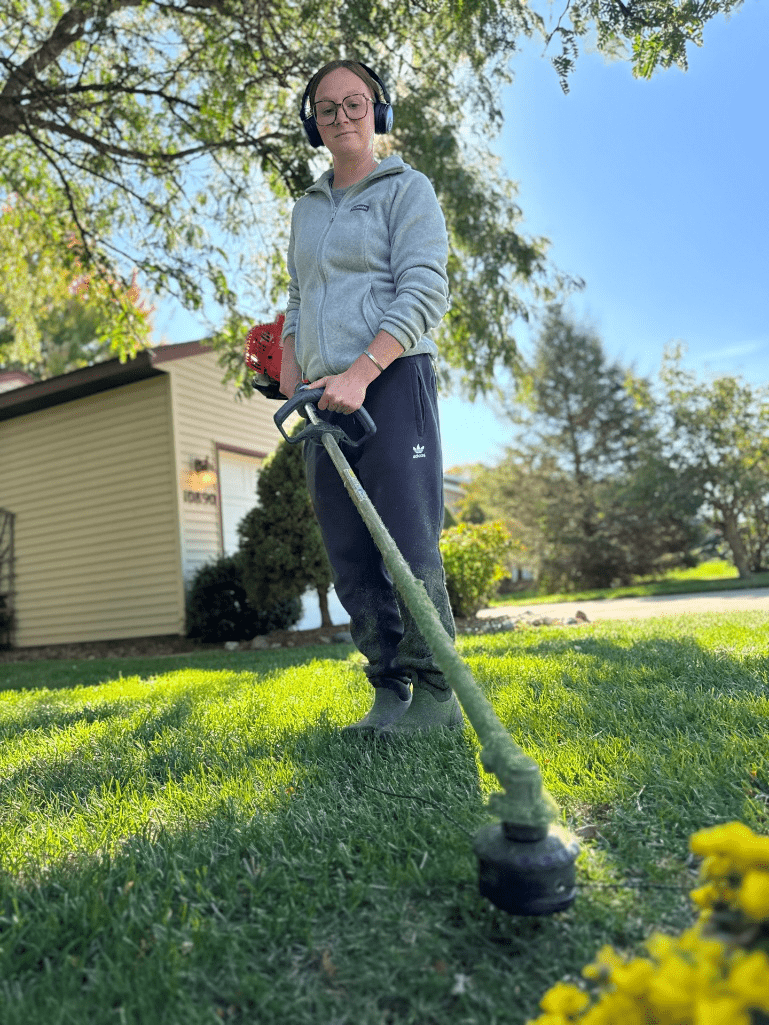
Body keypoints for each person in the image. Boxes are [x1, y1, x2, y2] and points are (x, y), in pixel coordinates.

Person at [280, 58, 463, 733]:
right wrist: (294, 376)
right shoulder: (305, 208)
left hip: (390, 381)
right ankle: (388, 689)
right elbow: (299, 298)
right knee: (351, 552)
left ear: (377, 113)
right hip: (323, 399)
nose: (341, 118)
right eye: (327, 109)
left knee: (407, 543)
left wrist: (361, 369)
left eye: (354, 104)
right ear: (313, 125)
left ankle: (438, 692)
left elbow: (423, 289)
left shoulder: (405, 190)